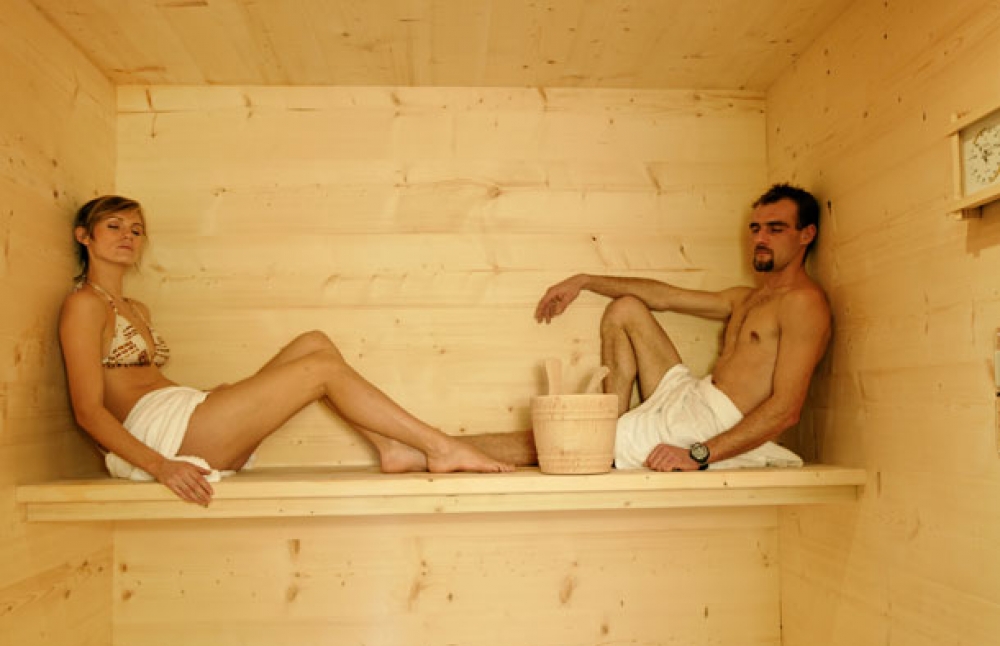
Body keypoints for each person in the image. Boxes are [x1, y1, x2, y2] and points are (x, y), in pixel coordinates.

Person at [60, 195, 514, 507]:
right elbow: (88, 411)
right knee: (319, 369)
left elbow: (144, 380)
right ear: (84, 236)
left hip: (184, 416)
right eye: (114, 226)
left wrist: (211, 399)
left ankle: (390, 448)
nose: (128, 236)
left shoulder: (135, 307)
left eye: (136, 229)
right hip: (161, 441)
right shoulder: (84, 305)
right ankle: (440, 446)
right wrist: (161, 467)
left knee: (314, 343)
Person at [534, 183, 831, 471]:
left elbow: (786, 409)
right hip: (693, 395)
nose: (761, 238)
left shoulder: (803, 303)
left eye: (775, 229)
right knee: (626, 308)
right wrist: (585, 281)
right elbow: (665, 297)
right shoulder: (747, 298)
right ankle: (611, 432)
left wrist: (698, 454)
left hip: (716, 424)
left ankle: (607, 444)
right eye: (756, 229)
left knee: (570, 441)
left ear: (806, 234)